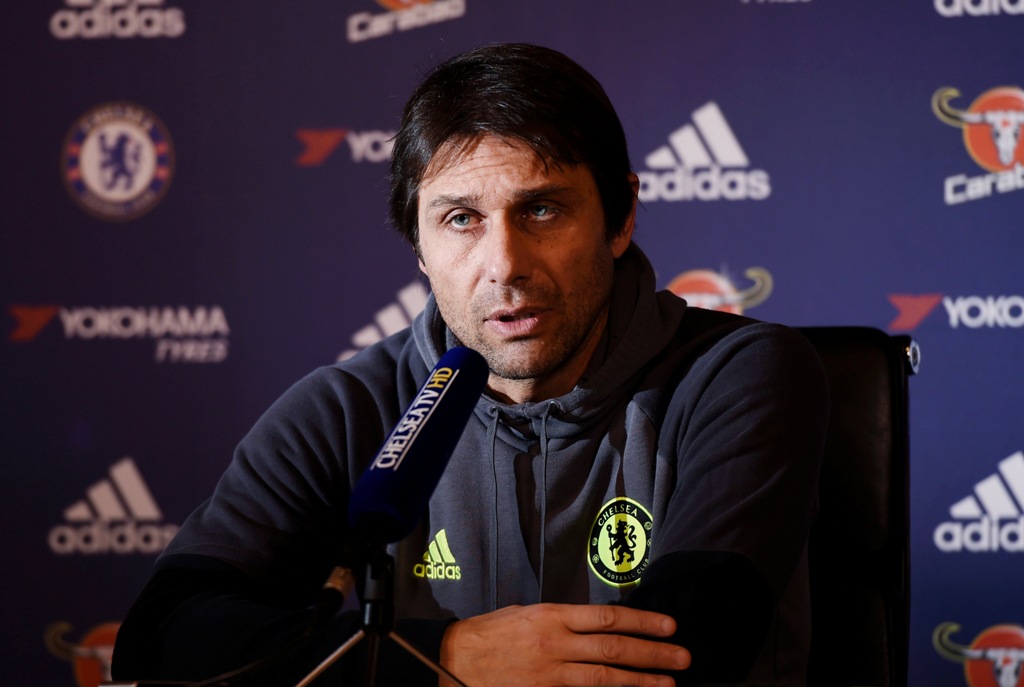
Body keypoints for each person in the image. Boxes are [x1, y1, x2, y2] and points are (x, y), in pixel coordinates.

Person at [111, 43, 828, 687]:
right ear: (420, 249)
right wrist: (446, 656)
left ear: (621, 218)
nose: (505, 266)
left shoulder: (739, 376)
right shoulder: (345, 410)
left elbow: (683, 656)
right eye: (461, 219)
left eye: (542, 210)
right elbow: (161, 641)